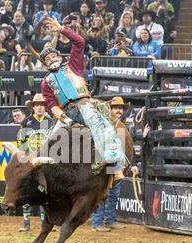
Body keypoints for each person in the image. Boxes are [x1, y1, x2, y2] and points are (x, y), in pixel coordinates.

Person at [40, 17, 126, 181]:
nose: (50, 59)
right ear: (45, 64)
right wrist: (65, 119)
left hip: (84, 105)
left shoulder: (73, 65)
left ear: (59, 56)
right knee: (48, 142)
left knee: (102, 127)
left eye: (52, 56)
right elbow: (52, 105)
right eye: (47, 59)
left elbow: (79, 42)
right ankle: (41, 178)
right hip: (66, 113)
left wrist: (61, 29)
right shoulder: (46, 82)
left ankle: (115, 171)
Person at [91, 96, 130, 231]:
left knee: (114, 192)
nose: (118, 111)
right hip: (104, 162)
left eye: (120, 108)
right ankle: (97, 223)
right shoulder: (104, 123)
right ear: (110, 109)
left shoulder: (122, 126)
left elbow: (127, 146)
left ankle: (110, 220)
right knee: (102, 191)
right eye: (116, 108)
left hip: (117, 163)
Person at [17, 93, 53, 232]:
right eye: (37, 105)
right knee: (28, 190)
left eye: (42, 105)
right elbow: (21, 142)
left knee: (46, 192)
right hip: (31, 162)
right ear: (33, 107)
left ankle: (47, 223)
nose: (39, 107)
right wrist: (26, 157)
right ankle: (26, 224)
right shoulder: (27, 122)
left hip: (46, 162)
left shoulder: (50, 122)